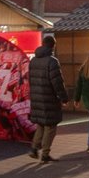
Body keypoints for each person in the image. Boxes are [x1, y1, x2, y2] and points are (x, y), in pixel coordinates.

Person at [28, 35, 68, 164]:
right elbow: (57, 82)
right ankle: (45, 153)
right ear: (52, 46)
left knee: (40, 124)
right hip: (49, 98)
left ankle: (34, 148)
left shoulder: (33, 60)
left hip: (36, 97)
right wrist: (64, 98)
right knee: (50, 126)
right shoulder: (52, 61)